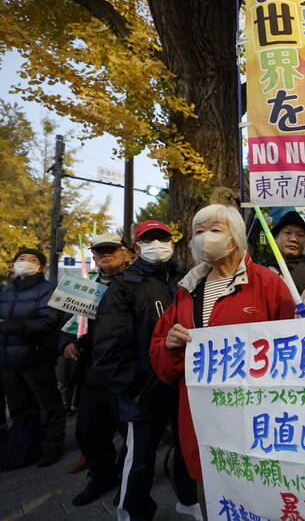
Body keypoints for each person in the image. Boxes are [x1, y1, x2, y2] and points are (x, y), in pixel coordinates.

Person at [150, 204, 295, 520]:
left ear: (237, 236)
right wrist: (171, 346)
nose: (205, 238)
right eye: (198, 232)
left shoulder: (268, 284)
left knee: (263, 497)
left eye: (215, 230)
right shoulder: (186, 291)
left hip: (258, 418)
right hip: (203, 420)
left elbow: (295, 350)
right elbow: (162, 363)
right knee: (214, 499)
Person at [92, 221, 199, 521]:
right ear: (137, 248)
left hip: (183, 383)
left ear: (172, 243)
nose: (157, 244)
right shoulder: (124, 285)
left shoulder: (188, 279)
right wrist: (133, 389)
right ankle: (132, 511)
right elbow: (108, 346)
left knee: (186, 447)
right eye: (148, 239)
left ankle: (188, 498)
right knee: (139, 457)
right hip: (143, 388)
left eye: (162, 238)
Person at [59, 233, 130, 505]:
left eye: (110, 249)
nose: (104, 255)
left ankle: (128, 481)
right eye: (99, 251)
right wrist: (67, 344)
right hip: (91, 372)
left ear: (126, 253)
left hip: (125, 372)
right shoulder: (82, 286)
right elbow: (67, 325)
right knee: (88, 430)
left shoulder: (137, 283)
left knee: (129, 432)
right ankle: (102, 476)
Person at [0, 248, 65, 467]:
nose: (26, 262)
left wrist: (15, 326)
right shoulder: (7, 292)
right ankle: (25, 448)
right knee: (20, 409)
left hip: (37, 359)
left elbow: (49, 321)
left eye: (32, 259)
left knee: (48, 406)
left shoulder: (48, 290)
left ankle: (51, 448)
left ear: (42, 267)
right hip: (8, 362)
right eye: (21, 259)